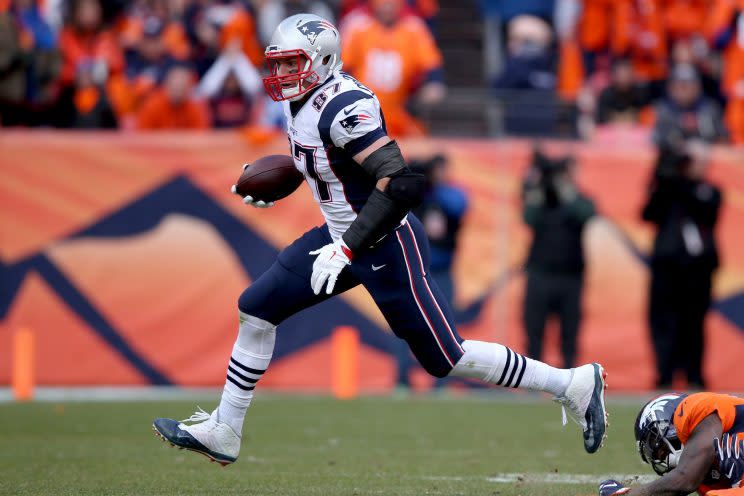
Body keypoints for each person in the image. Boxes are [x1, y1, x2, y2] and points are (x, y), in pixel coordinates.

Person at [151, 13, 608, 466]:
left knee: (445, 357)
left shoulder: (344, 106)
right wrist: (274, 185)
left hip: (384, 242)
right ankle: (225, 429)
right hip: (337, 238)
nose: (283, 73)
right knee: (255, 308)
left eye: (293, 63)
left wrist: (348, 246)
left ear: (323, 60)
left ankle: (571, 384)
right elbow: (322, 158)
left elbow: (402, 182)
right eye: (279, 63)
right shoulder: (303, 101)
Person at [642, 140, 721, 389]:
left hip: (697, 270)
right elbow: (648, 214)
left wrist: (681, 181)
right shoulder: (667, 188)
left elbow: (707, 213)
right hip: (666, 266)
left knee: (693, 323)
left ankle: (694, 375)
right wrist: (663, 178)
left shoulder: (708, 190)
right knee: (662, 321)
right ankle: (664, 375)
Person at [522, 148, 596, 369]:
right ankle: (533, 379)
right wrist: (537, 187)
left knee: (569, 332)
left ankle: (571, 377)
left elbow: (587, 214)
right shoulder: (541, 198)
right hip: (540, 274)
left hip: (570, 276)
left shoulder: (578, 199)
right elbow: (528, 217)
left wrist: (567, 191)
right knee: (534, 329)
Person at [597, 392, 744, 496]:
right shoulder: (705, 477)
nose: (658, 455)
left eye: (655, 442)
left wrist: (630, 494)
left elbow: (685, 479)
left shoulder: (693, 408)